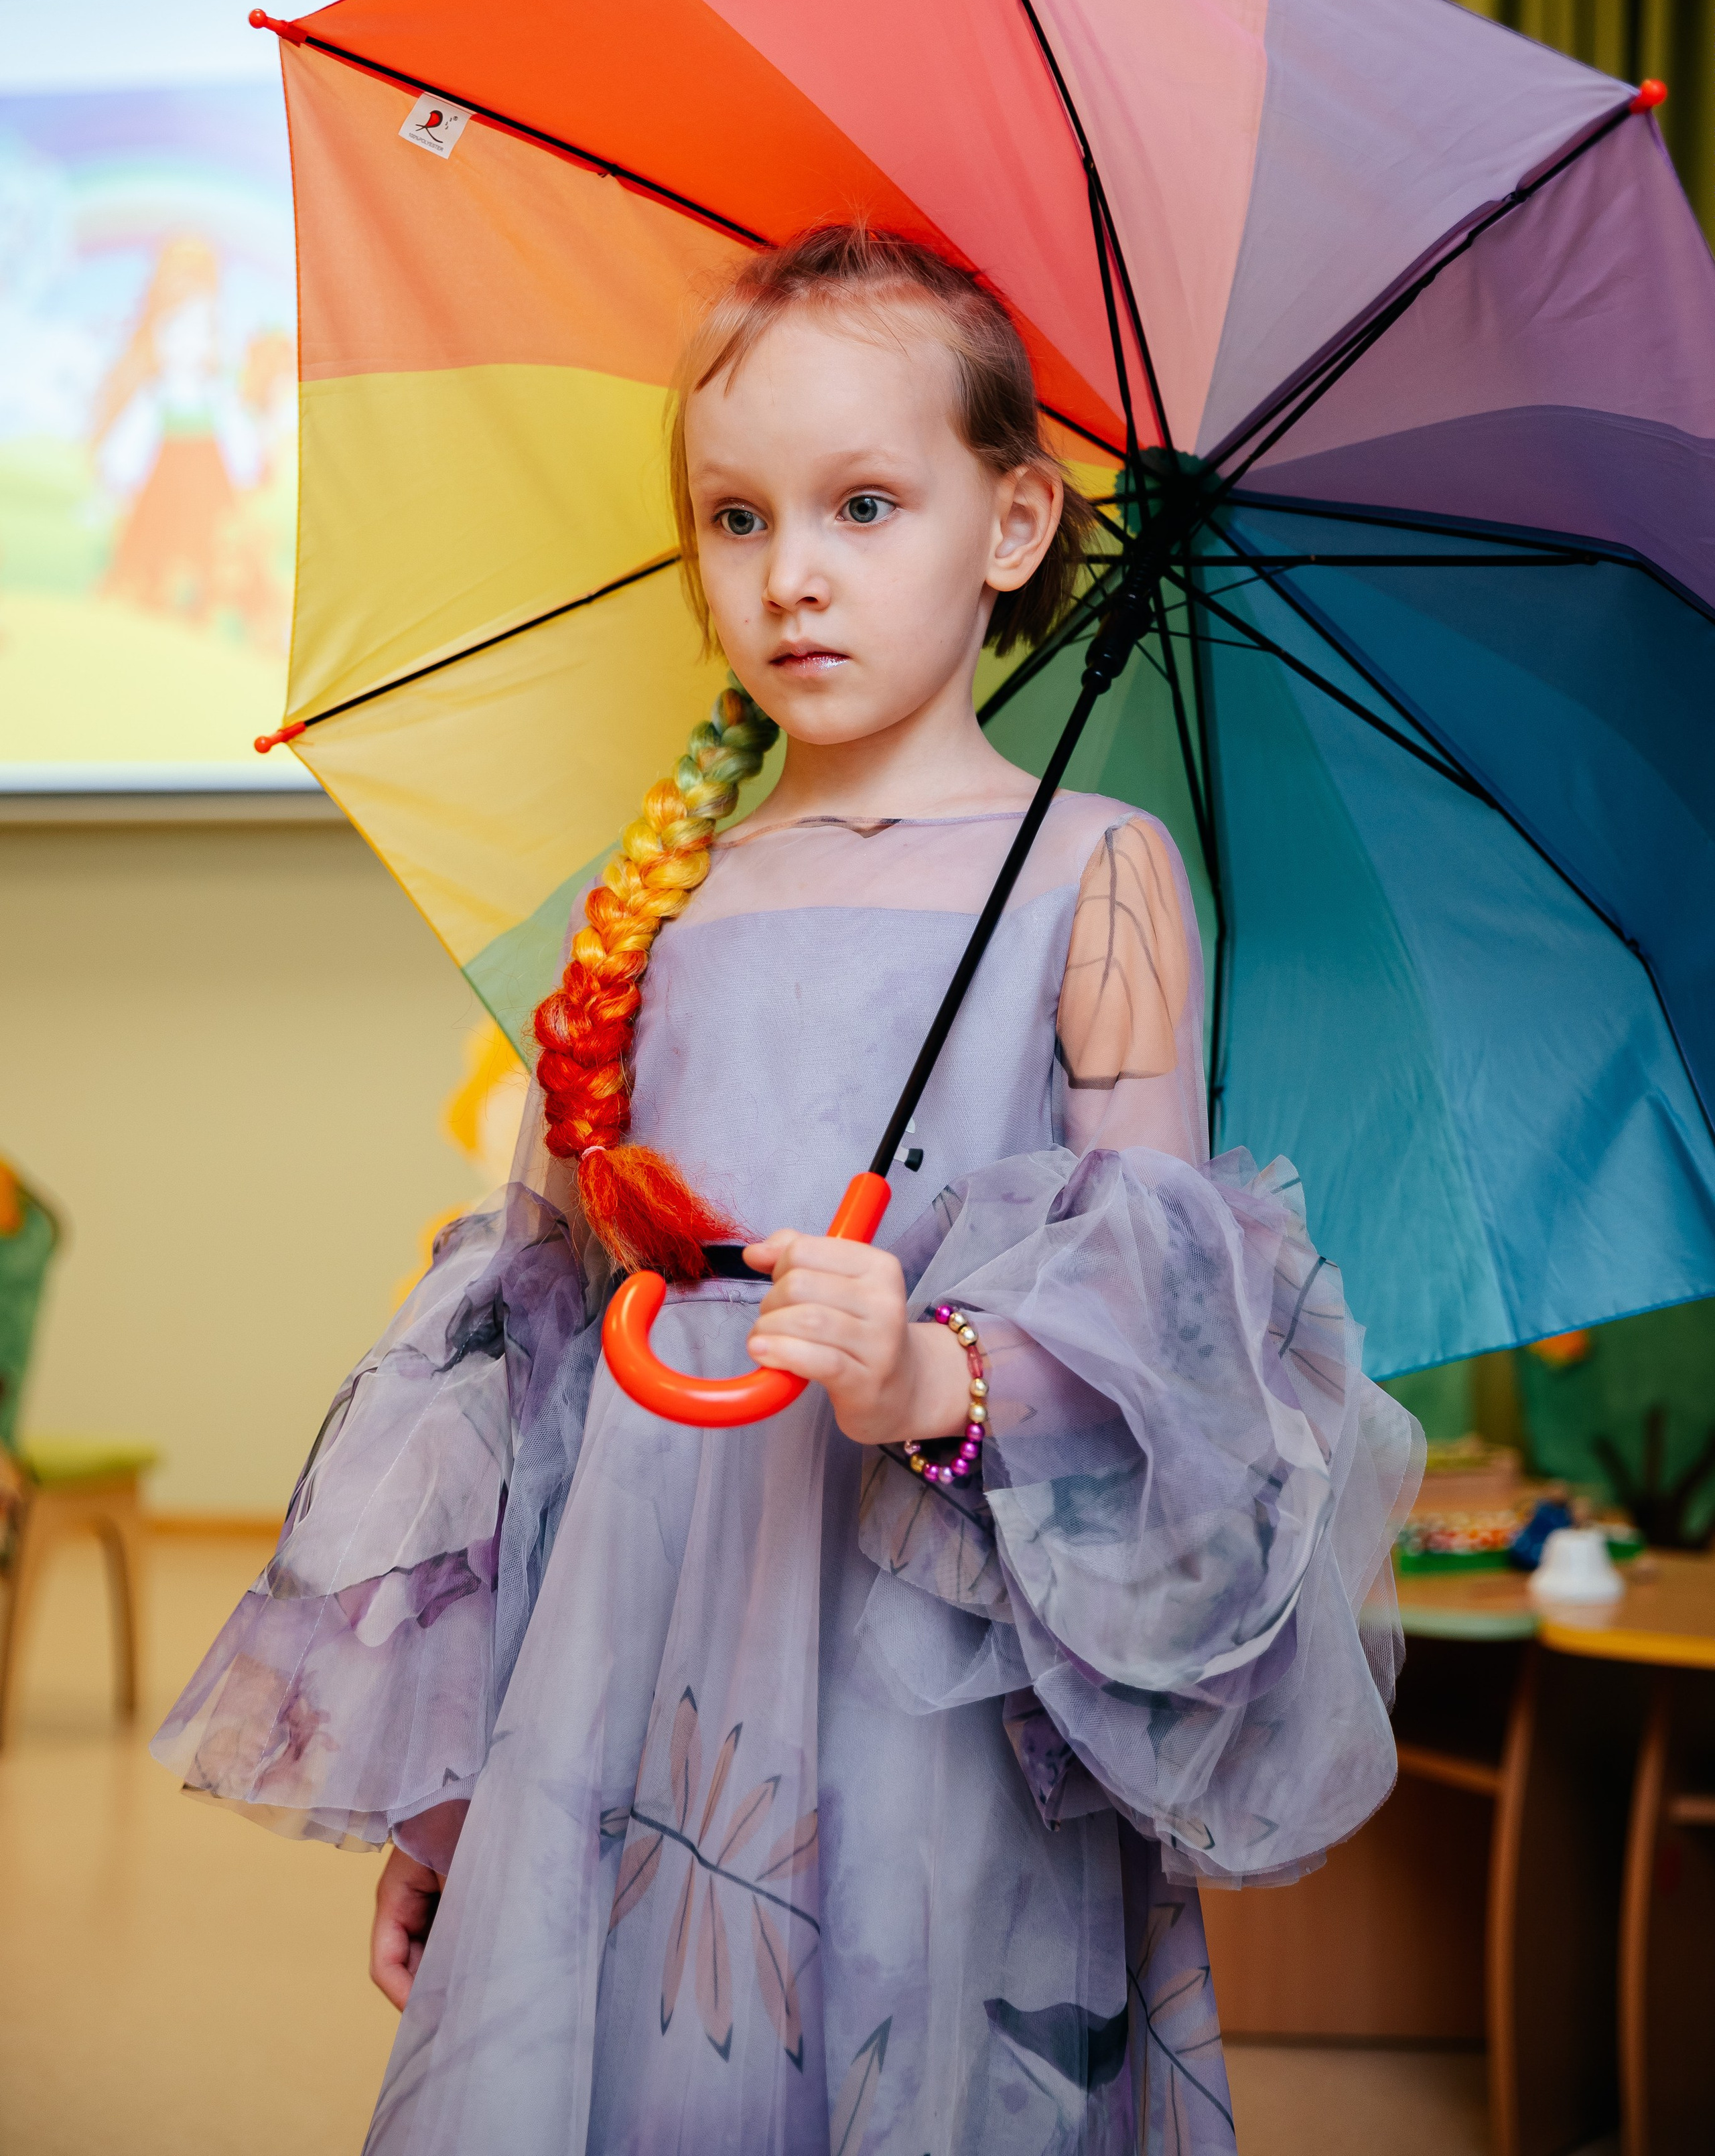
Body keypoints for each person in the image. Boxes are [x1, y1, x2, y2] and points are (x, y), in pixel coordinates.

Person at [154, 228, 1422, 2155]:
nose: (791, 574)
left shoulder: (1093, 871)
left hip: (929, 1668)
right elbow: (536, 1384)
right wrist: (455, 1794)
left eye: (861, 505)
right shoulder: (670, 902)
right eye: (734, 519)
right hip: (638, 1642)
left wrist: (939, 1381)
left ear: (1012, 523)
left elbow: (1179, 1353)